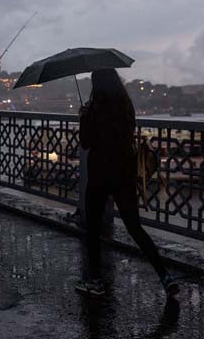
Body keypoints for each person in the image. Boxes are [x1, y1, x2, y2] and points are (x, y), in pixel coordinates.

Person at [75, 69, 179, 297]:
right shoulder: (126, 106)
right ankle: (165, 276)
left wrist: (83, 118)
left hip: (100, 174)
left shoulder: (94, 110)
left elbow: (85, 143)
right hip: (124, 174)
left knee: (93, 228)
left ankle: (95, 281)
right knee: (135, 228)